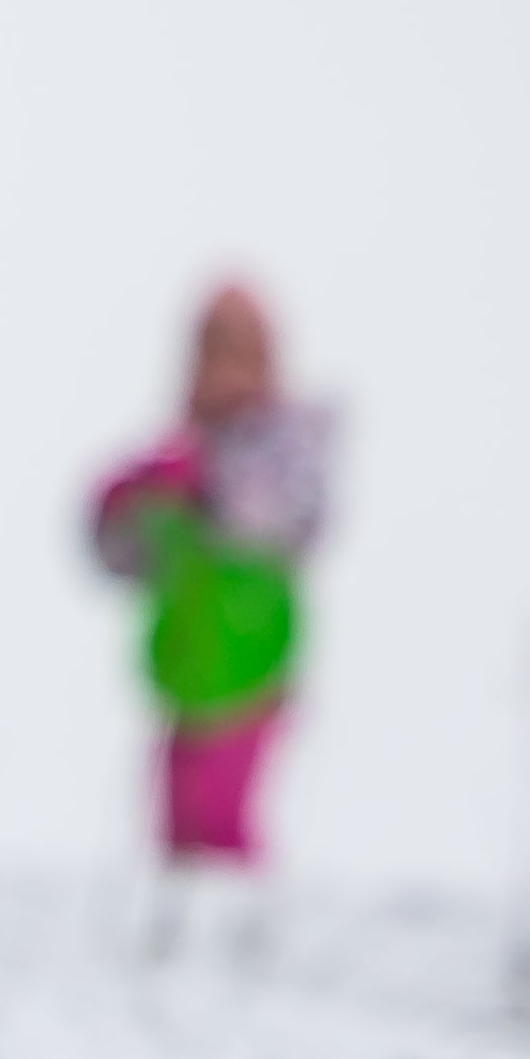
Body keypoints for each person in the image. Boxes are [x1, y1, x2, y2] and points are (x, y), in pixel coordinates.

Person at [91, 282, 330, 864]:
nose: (225, 376)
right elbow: (123, 556)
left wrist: (208, 489)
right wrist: (128, 507)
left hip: (253, 666)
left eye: (239, 358)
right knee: (178, 813)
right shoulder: (174, 455)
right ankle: (185, 908)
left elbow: (291, 517)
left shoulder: (281, 448)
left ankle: (240, 908)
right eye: (212, 358)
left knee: (221, 812)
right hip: (188, 664)